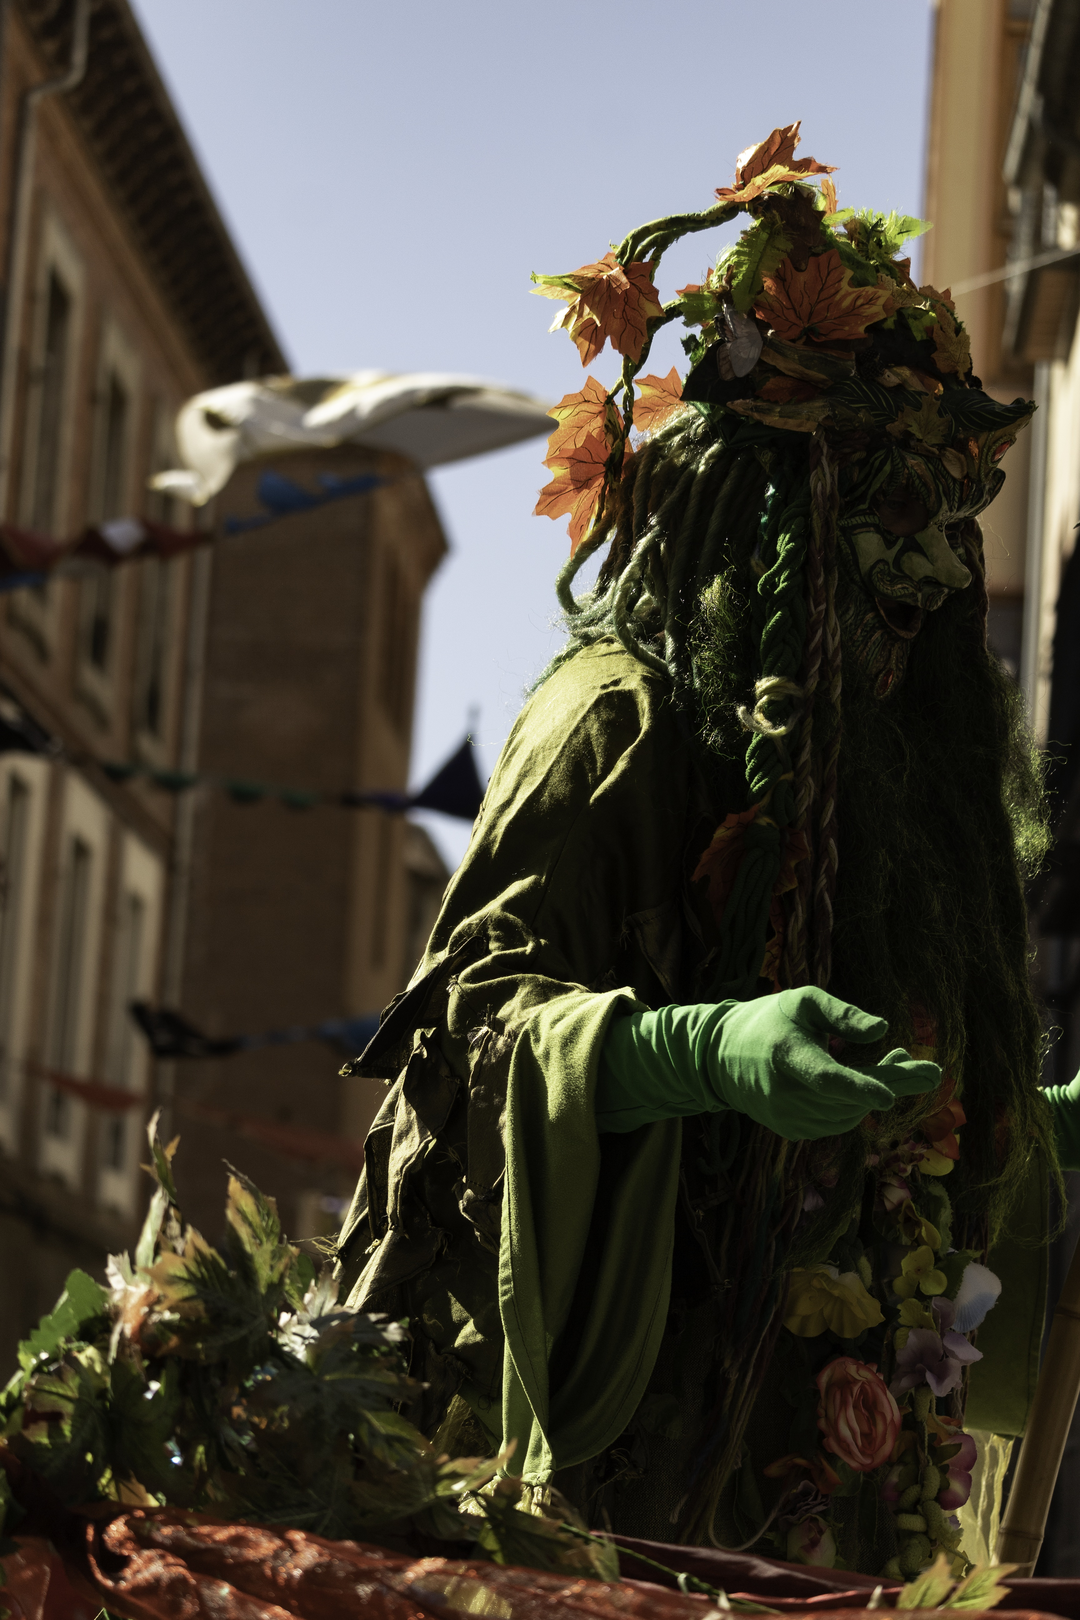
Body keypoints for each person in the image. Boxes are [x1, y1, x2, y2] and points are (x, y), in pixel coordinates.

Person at [335, 124, 1079, 1577]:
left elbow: (896, 1154)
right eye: (890, 505)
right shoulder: (610, 721)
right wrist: (696, 1053)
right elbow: (468, 1037)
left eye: (954, 518)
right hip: (590, 1512)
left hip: (815, 1521)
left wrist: (1036, 1128)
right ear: (767, 502)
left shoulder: (893, 799)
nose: (936, 564)